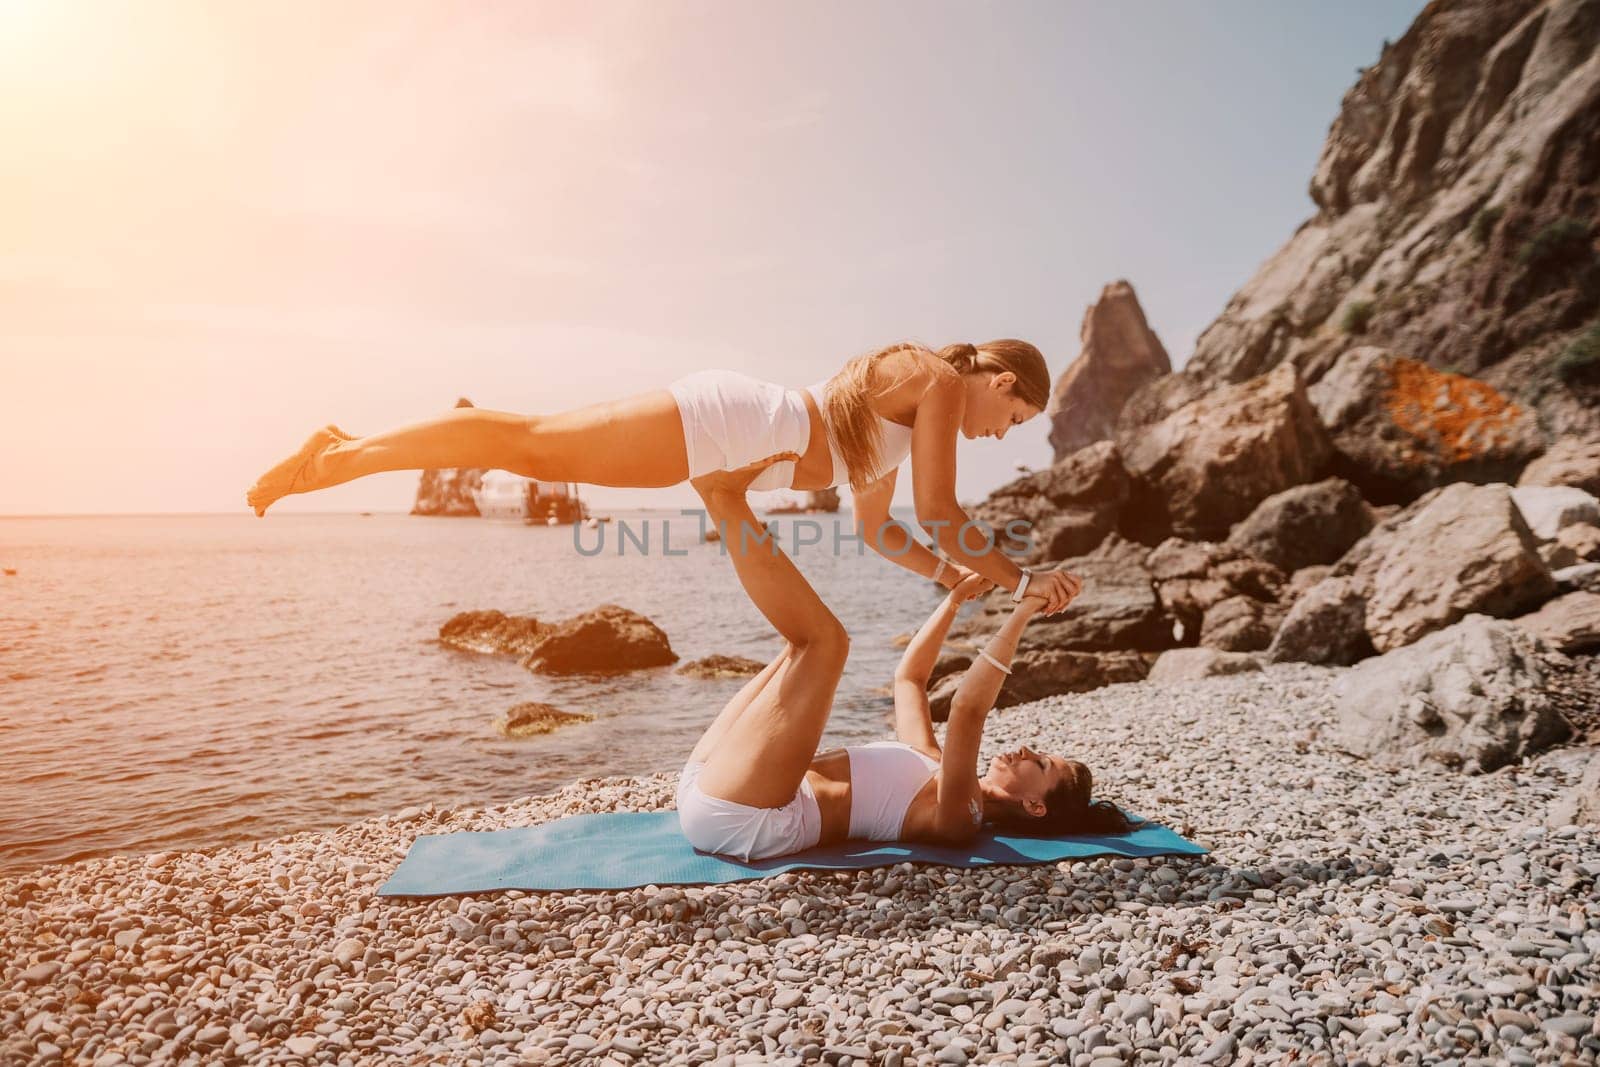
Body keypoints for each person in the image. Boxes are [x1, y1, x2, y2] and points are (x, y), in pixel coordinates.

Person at [245, 340, 1079, 609]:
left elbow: (878, 527)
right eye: (1011, 420)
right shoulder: (932, 379)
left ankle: (347, 446)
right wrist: (1021, 578)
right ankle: (342, 454)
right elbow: (940, 508)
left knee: (533, 446)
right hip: (726, 423)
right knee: (532, 445)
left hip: (727, 448)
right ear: (1001, 381)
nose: (1000, 434)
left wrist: (950, 579)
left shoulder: (911, 414)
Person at [675, 459, 1143, 863]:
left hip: (746, 819)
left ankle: (726, 496)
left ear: (1035, 807)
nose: (1025, 750)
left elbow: (967, 711)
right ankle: (714, 487)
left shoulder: (961, 816)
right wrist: (954, 600)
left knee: (823, 644)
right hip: (714, 784)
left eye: (1039, 764)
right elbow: (910, 679)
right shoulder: (932, 761)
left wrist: (1022, 612)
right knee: (795, 649)